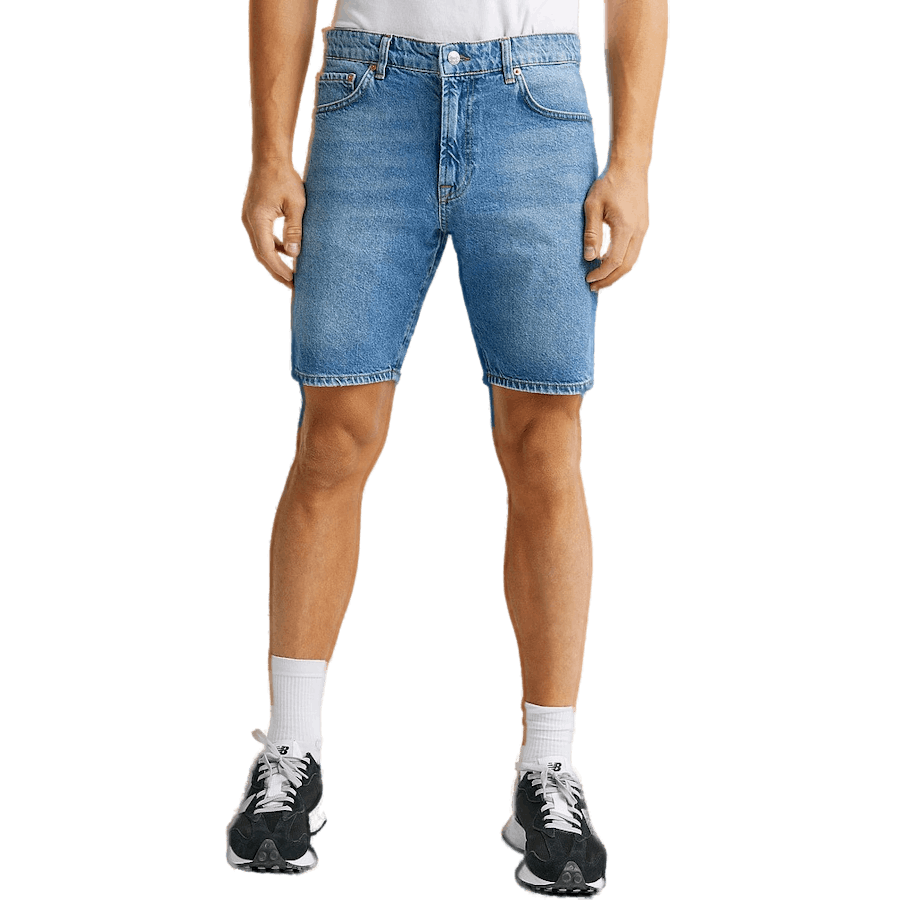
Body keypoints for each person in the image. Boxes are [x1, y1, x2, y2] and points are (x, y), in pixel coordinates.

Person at [227, 0, 668, 895]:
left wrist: (632, 162)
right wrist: (271, 152)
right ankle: (290, 751)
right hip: (369, 97)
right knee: (333, 436)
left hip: (537, 105)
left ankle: (549, 769)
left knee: (545, 445)